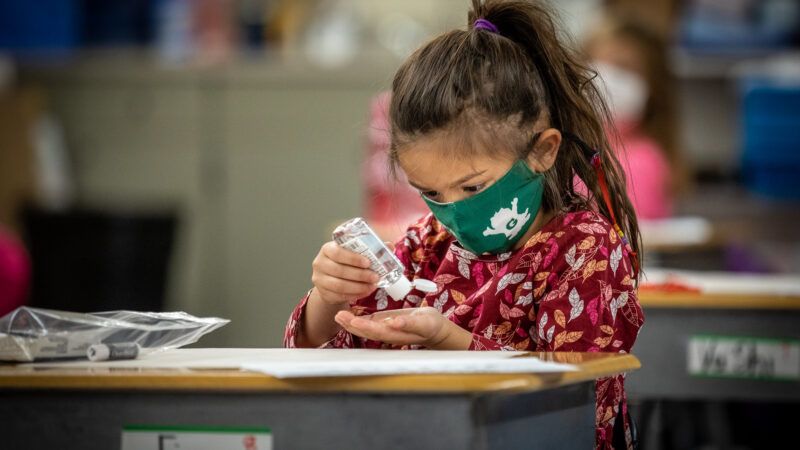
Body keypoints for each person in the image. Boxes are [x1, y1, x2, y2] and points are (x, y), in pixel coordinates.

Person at [285, 1, 644, 448]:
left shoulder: (586, 252)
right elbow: (330, 360)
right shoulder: (425, 247)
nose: (453, 212)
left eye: (473, 188)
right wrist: (327, 299)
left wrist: (447, 339)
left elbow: (574, 396)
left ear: (543, 151)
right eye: (431, 193)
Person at [586, 14, 687, 219]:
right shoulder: (573, 144)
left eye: (622, 67)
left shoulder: (646, 159)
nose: (604, 77)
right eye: (595, 64)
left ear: (652, 86)